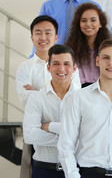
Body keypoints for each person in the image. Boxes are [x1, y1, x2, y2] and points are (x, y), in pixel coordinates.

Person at [58, 39, 112, 178]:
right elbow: (65, 143)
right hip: (90, 173)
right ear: (98, 61)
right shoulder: (78, 98)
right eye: (106, 58)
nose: (111, 63)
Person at [16, 16, 81, 178]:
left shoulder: (79, 94)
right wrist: (69, 138)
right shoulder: (25, 68)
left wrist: (49, 126)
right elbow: (25, 99)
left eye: (48, 32)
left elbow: (83, 127)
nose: (61, 69)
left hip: (74, 164)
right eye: (38, 32)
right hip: (44, 166)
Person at [65, 2, 112, 87]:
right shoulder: (70, 49)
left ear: (100, 23)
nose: (88, 24)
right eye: (83, 20)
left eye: (93, 20)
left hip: (102, 90)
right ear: (78, 24)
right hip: (78, 91)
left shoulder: (109, 48)